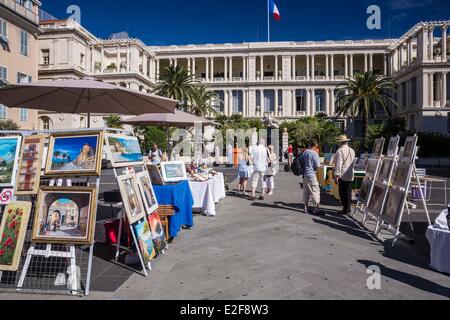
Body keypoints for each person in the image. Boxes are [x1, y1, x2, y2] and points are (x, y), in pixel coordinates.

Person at [333, 135, 356, 215]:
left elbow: (339, 164)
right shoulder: (352, 150)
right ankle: (347, 209)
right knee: (348, 192)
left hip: (342, 174)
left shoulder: (340, 151)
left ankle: (345, 209)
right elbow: (353, 163)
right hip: (350, 173)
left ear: (340, 142)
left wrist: (336, 175)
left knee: (342, 193)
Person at [302, 140, 322, 215]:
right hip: (312, 174)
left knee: (306, 191)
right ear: (315, 145)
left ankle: (306, 207)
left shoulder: (305, 152)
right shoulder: (314, 153)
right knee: (315, 190)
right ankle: (317, 209)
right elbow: (318, 165)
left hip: (305, 174)